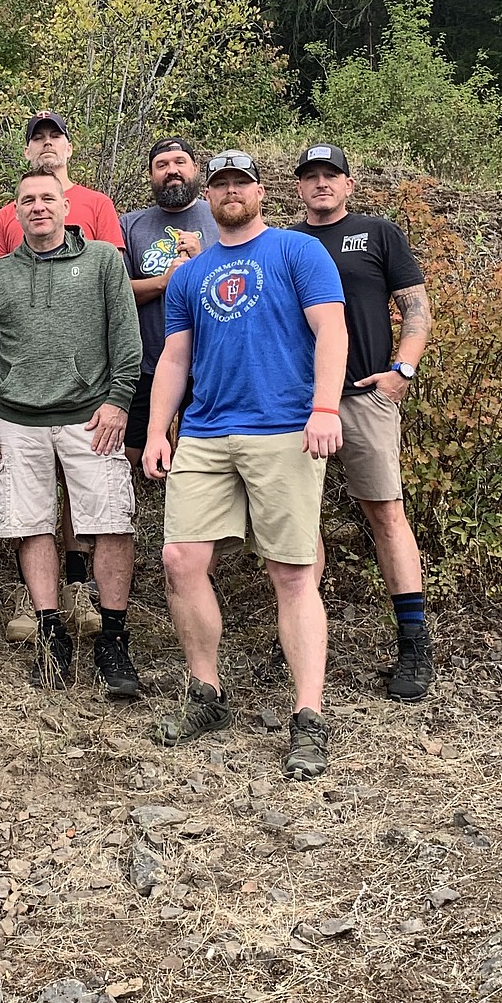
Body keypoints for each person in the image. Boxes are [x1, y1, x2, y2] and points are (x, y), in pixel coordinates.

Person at [142, 151, 348, 781]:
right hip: (205, 432)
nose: (231, 192)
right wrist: (157, 429)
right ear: (210, 195)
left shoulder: (297, 253)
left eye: (242, 182)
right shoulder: (190, 273)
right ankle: (206, 693)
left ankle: (308, 715)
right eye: (221, 184)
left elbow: (331, 331)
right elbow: (176, 359)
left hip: (285, 428)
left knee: (291, 571)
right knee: (181, 560)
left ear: (260, 191)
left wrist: (324, 408)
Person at [0, 170, 143, 695]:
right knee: (31, 524)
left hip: (90, 416)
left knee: (112, 521)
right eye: (27, 200)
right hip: (17, 420)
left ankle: (113, 637)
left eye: (48, 198)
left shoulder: (103, 261)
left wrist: (118, 402)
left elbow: (126, 338)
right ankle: (51, 631)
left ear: (66, 207)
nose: (38, 207)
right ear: (15, 212)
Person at [293, 143, 435, 700]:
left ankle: (414, 647)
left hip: (364, 396)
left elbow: (416, 306)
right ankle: (307, 644)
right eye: (311, 176)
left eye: (332, 175)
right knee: (301, 523)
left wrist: (404, 368)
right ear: (298, 187)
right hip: (298, 404)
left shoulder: (378, 233)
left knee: (386, 514)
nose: (321, 183)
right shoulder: (285, 243)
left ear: (349, 185)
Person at [0, 111, 124, 638]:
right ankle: (43, 606)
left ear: (70, 147)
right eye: (36, 139)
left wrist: (115, 389)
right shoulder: (7, 214)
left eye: (54, 137)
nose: (46, 145)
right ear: (26, 153)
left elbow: (110, 290)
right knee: (32, 507)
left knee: (91, 503)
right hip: (23, 394)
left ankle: (81, 590)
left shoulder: (97, 206)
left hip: (86, 393)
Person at [120, 137, 220, 466]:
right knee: (129, 452)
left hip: (211, 363)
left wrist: (201, 262)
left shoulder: (221, 216)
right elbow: (117, 293)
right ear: (150, 175)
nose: (171, 171)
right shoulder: (130, 224)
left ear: (195, 170)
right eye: (162, 165)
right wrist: (164, 282)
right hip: (148, 362)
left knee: (205, 457)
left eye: (179, 162)